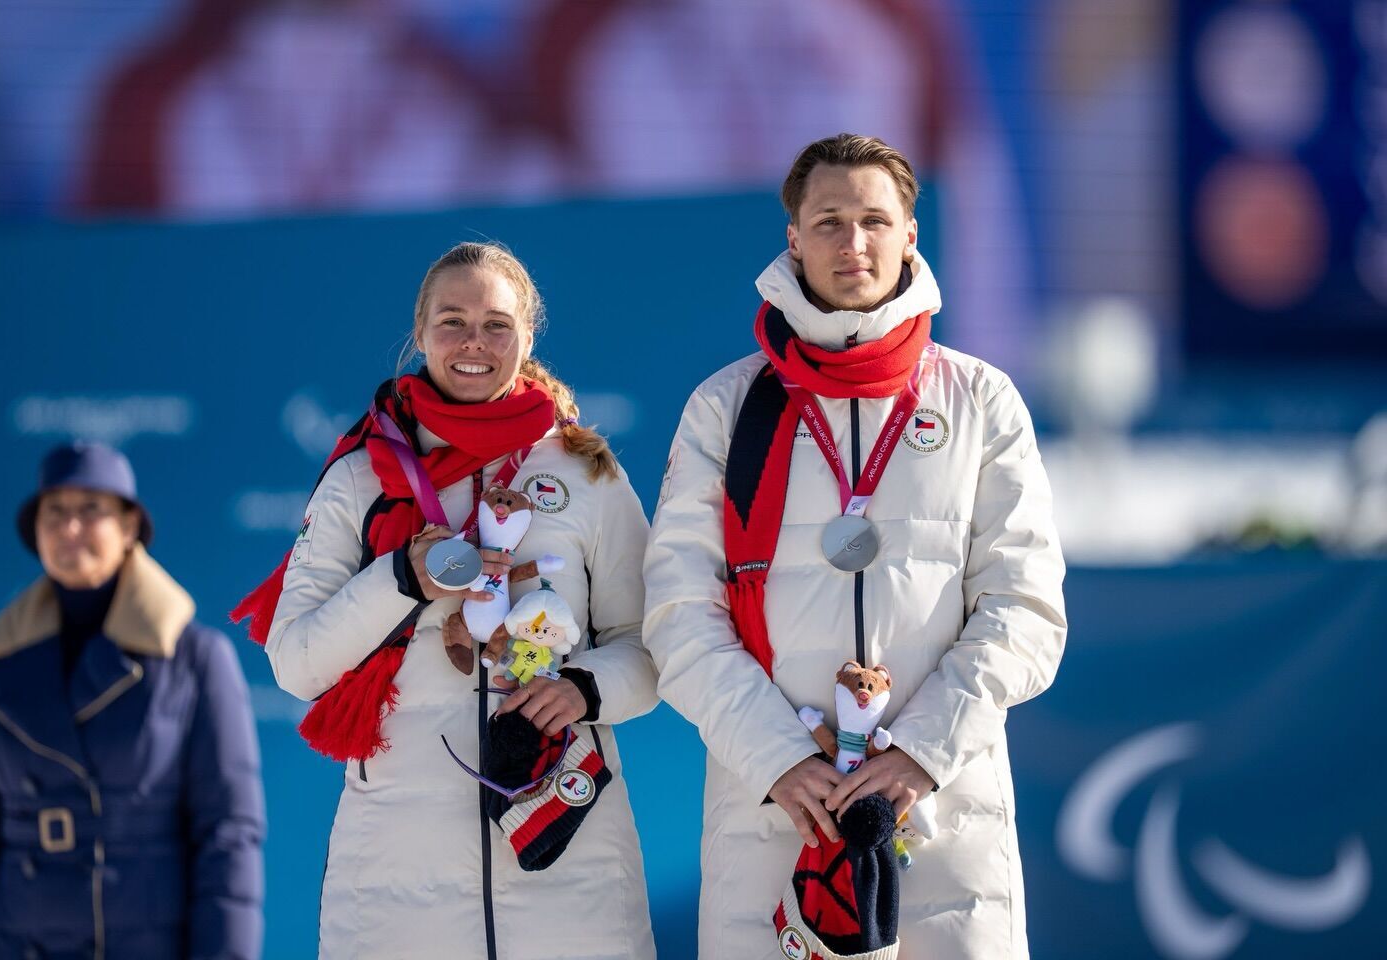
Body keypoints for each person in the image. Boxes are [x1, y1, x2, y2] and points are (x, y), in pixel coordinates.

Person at [643, 134, 1067, 959]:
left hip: (943, 810)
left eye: (874, 220)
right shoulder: (727, 408)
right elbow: (679, 615)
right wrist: (776, 759)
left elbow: (1025, 609)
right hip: (776, 810)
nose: (853, 242)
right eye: (829, 221)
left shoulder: (981, 399)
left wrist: (921, 753)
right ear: (793, 239)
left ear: (910, 235)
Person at [242, 241, 658, 959]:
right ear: (420, 332)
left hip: (566, 852)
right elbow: (296, 663)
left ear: (527, 337)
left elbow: (651, 646)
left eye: (497, 324)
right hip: (396, 874)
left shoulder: (585, 471)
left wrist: (583, 690)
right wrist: (401, 580)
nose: (474, 342)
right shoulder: (362, 477)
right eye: (452, 321)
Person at [0, 441, 265, 959]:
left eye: (91, 508)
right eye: (55, 511)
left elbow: (227, 834)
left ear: (129, 527)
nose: (70, 527)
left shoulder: (194, 659)